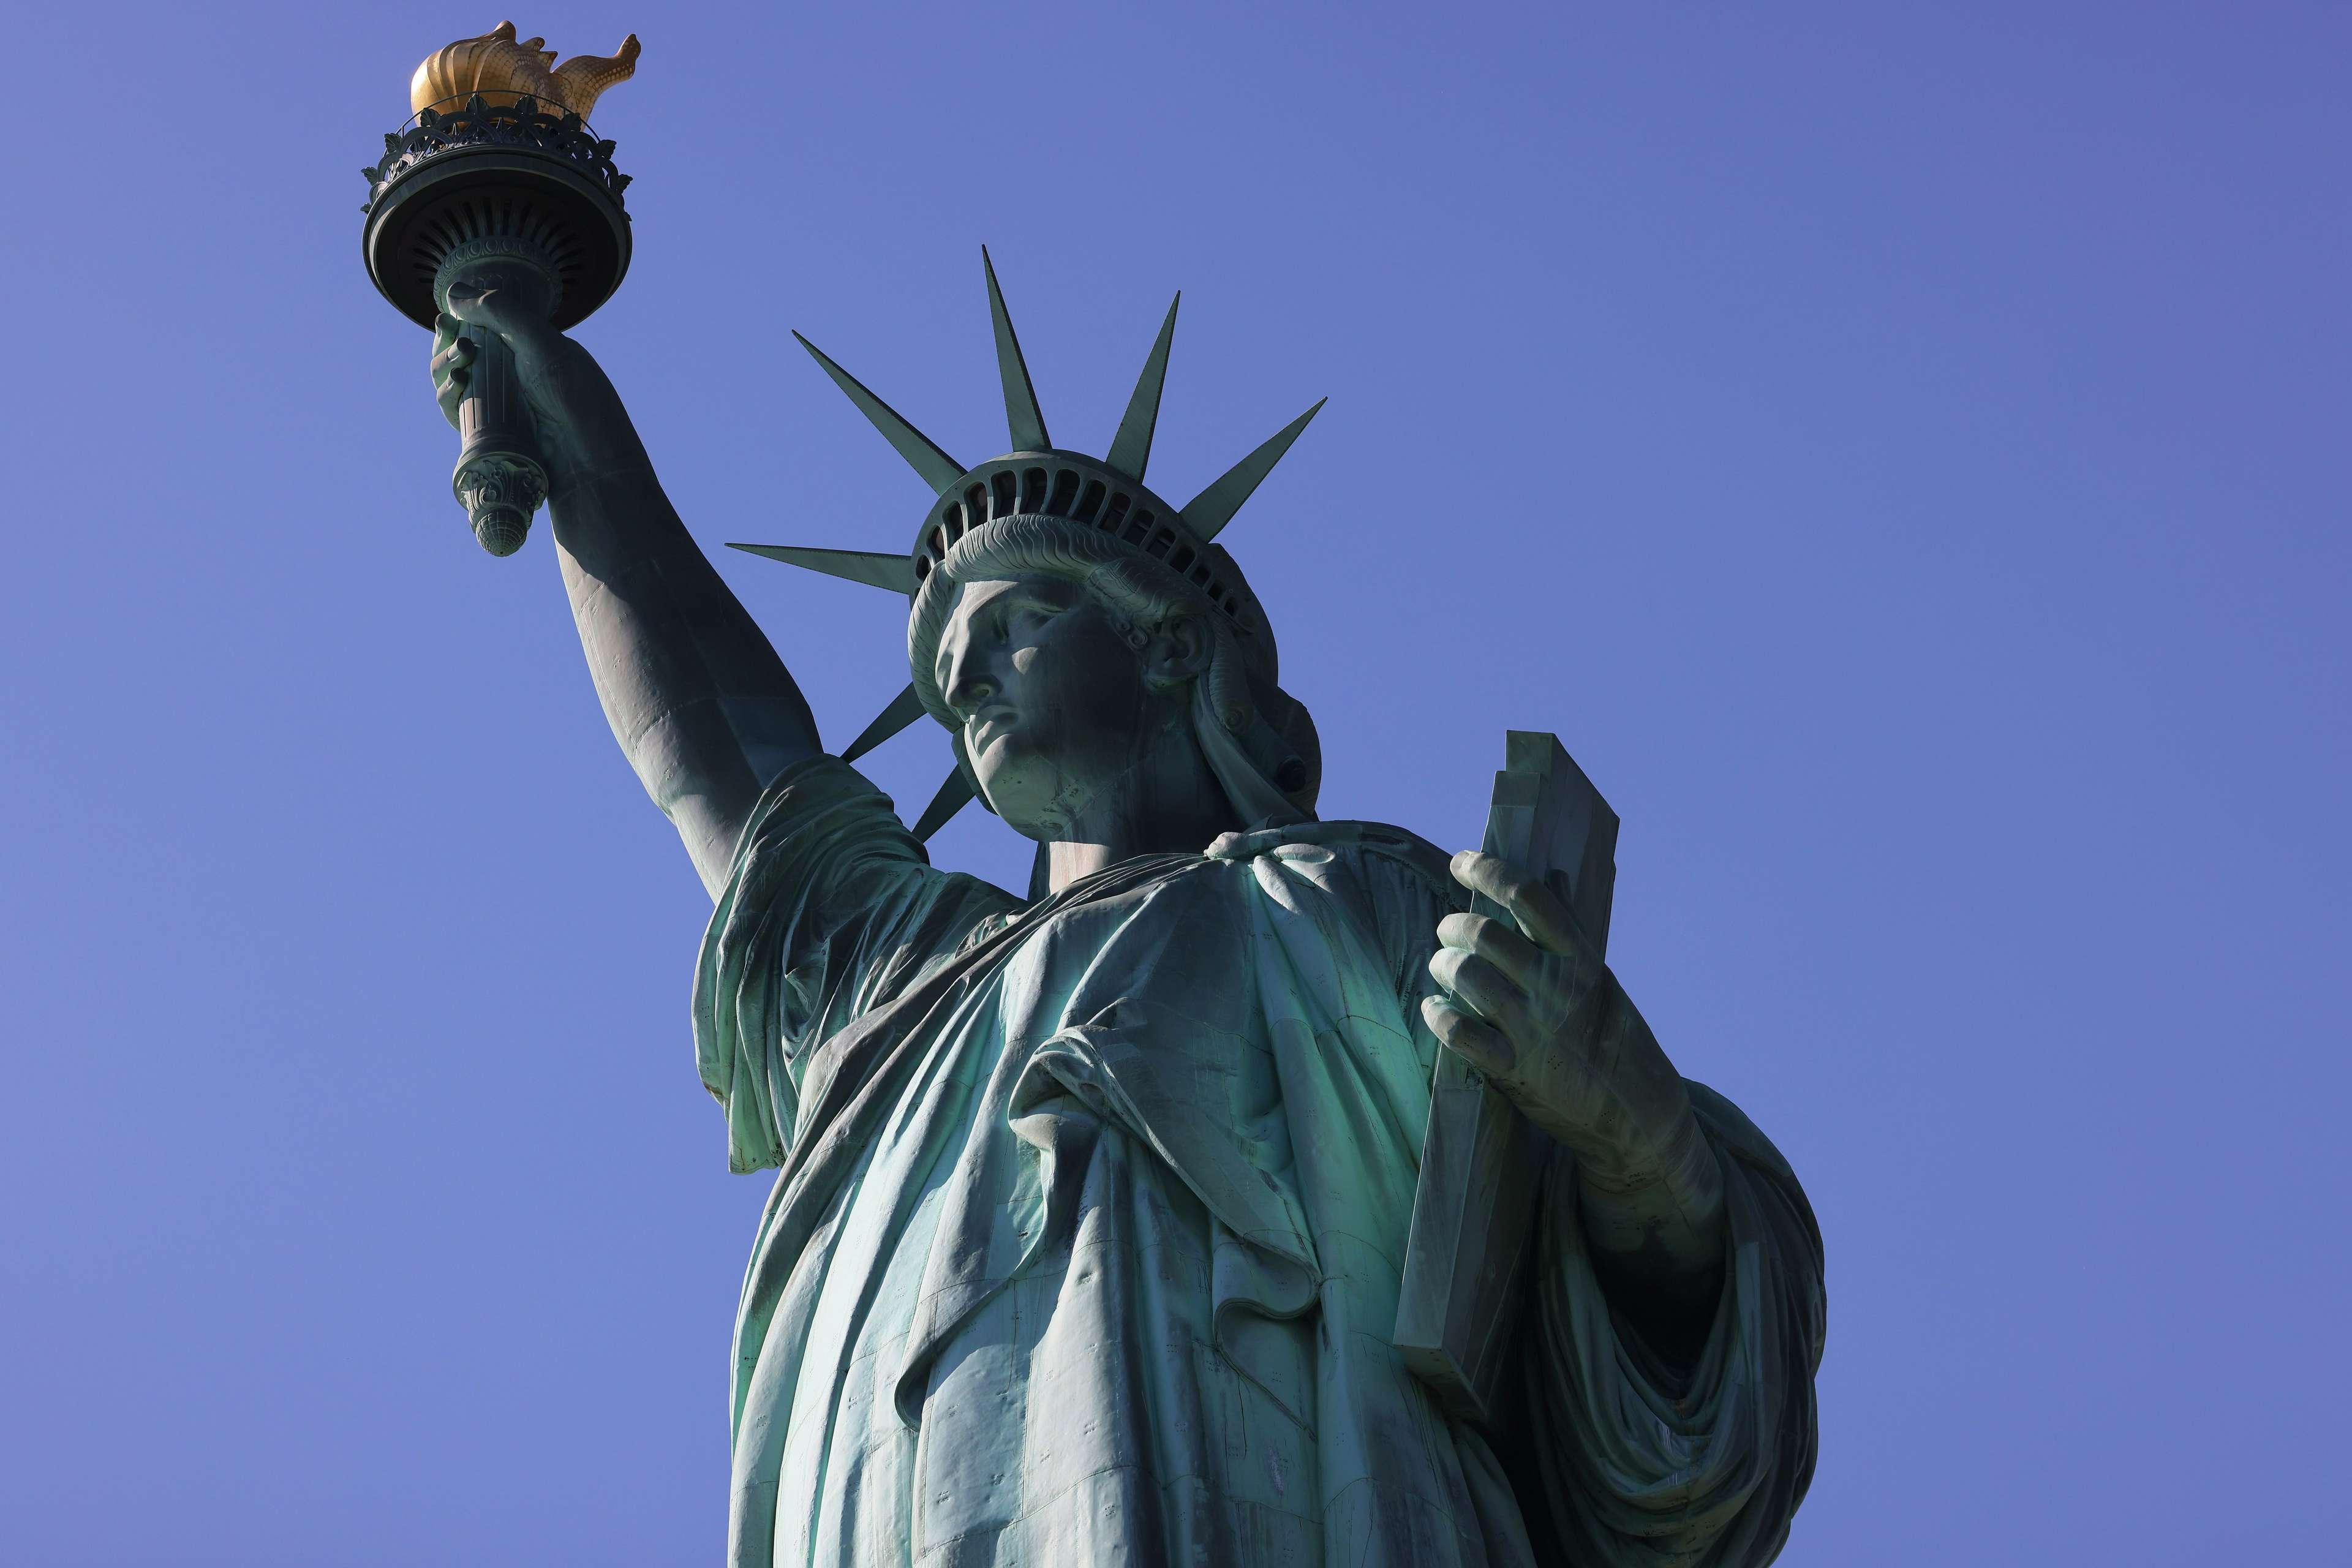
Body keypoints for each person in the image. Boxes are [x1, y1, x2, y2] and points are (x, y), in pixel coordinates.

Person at [427, 259, 1824, 1567]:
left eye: (1014, 616)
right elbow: (722, 755)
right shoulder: (907, 977)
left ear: (1163, 640)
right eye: (940, 657)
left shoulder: (1364, 906)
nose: (962, 670)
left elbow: (1686, 1367)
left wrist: (1640, 1139)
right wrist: (571, 444)